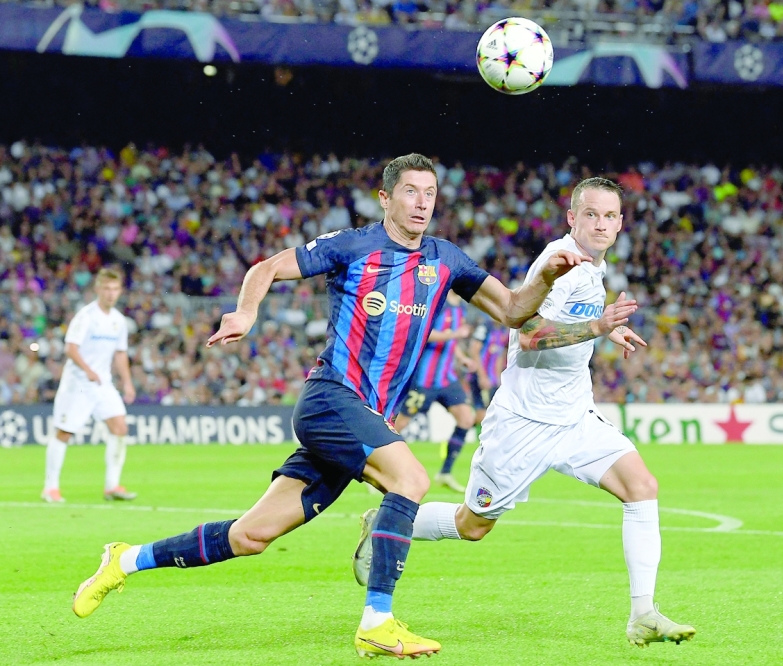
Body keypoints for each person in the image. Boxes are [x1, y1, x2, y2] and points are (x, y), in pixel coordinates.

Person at [70, 154, 638, 659]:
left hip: (361, 417)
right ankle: (377, 622)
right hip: (330, 399)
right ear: (386, 199)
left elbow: (515, 311)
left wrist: (545, 278)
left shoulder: (446, 260)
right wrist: (245, 314)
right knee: (411, 479)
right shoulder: (354, 246)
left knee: (250, 536)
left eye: (431, 193)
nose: (422, 203)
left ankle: (125, 559)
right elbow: (265, 267)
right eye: (411, 192)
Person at [353, 177, 696, 648]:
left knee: (642, 487)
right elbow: (530, 336)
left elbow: (567, 322)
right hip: (523, 423)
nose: (601, 224)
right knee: (472, 526)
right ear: (572, 218)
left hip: (575, 417)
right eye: (590, 214)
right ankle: (388, 523)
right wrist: (596, 326)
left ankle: (643, 614)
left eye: (610, 215)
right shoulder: (560, 265)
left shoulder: (593, 266)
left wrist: (602, 332)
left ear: (620, 223)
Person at [42, 267, 137, 503]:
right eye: (106, 289)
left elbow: (120, 354)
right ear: (98, 289)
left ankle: (112, 486)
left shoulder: (118, 321)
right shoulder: (86, 316)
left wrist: (127, 383)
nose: (110, 294)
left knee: (120, 427)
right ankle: (50, 487)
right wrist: (88, 370)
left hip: (102, 383)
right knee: (64, 432)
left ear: (120, 291)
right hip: (78, 383)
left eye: (115, 289)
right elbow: (70, 348)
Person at [393, 290, 477, 493]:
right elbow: (425, 334)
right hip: (425, 380)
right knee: (398, 426)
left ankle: (446, 472)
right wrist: (455, 334)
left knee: (466, 418)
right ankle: (373, 467)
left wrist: (461, 357)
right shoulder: (437, 302)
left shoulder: (460, 306)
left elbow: (451, 342)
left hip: (447, 378)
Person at [466, 316, 508, 425]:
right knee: (482, 414)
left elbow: (500, 356)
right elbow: (474, 351)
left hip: (493, 379)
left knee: (494, 414)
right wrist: (482, 376)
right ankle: (471, 428)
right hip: (478, 377)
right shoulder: (485, 327)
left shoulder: (503, 330)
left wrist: (498, 377)